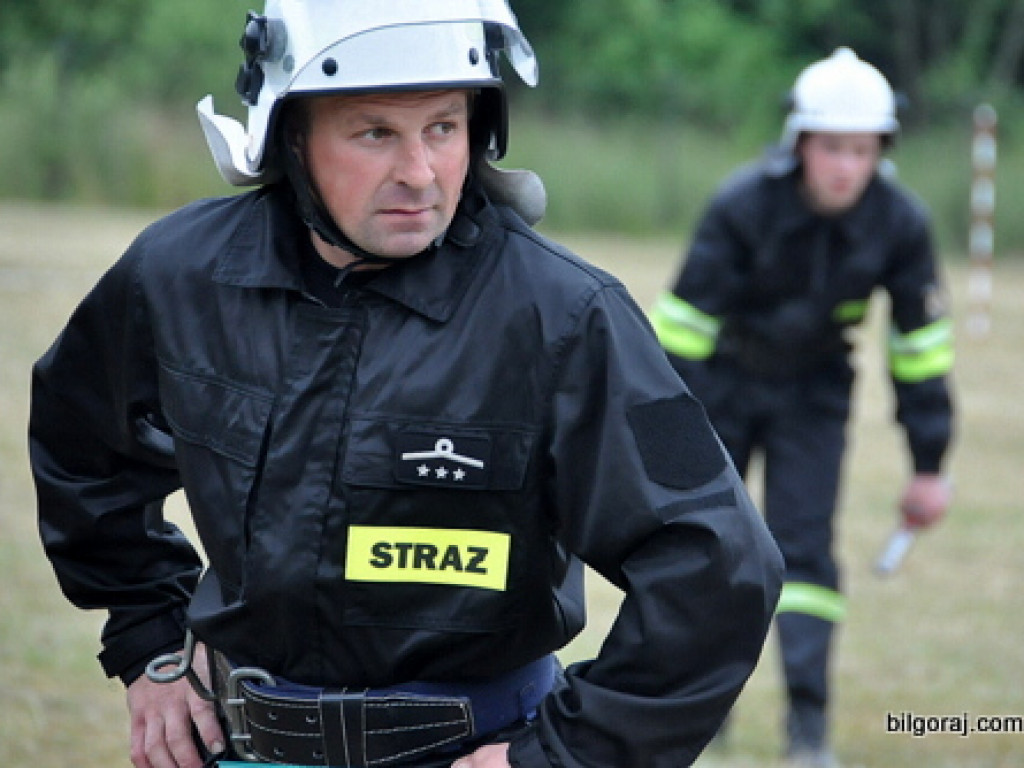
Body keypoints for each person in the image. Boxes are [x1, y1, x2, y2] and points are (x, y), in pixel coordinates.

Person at [29, 3, 784, 768]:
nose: (420, 173)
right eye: (375, 132)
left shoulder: (567, 316)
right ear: (292, 136)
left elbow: (719, 566)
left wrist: (566, 754)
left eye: (444, 128)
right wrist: (148, 641)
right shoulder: (178, 275)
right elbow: (79, 446)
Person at [650, 47, 955, 767]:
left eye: (861, 149)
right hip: (719, 387)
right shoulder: (741, 204)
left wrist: (930, 463)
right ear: (800, 144)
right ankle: (701, 713)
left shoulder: (901, 222)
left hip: (815, 391)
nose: (845, 166)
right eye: (832, 148)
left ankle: (808, 731)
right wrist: (668, 443)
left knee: (805, 551)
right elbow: (677, 340)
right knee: (710, 549)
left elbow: (920, 352)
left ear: (882, 150)